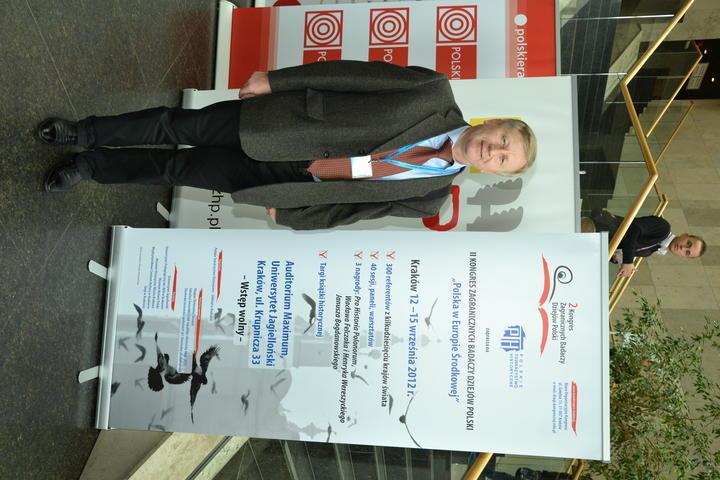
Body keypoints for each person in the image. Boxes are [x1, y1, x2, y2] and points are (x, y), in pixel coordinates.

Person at [38, 60, 537, 230]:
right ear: (493, 123)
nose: (493, 151)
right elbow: (351, 76)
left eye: (502, 159)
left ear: (493, 173)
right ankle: (84, 133)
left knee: (177, 172)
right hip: (284, 124)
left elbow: (357, 211)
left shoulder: (431, 197)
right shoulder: (433, 92)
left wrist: (298, 215)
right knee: (176, 127)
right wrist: (278, 81)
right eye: (502, 140)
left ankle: (90, 167)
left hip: (291, 182)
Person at [587, 210, 706, 278]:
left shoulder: (650, 251)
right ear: (685, 235)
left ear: (682, 256)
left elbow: (624, 246)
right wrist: (628, 262)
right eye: (688, 243)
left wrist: (616, 258)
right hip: (597, 226)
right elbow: (633, 229)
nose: (683, 247)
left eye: (687, 252)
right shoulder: (663, 228)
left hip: (595, 243)